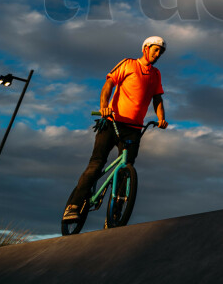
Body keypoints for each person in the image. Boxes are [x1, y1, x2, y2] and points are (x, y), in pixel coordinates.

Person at [63, 35, 169, 220]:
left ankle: (115, 215)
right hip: (112, 122)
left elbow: (157, 99)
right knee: (96, 164)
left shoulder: (156, 74)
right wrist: (104, 106)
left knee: (126, 169)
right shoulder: (128, 64)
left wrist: (161, 119)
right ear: (146, 48)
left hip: (134, 128)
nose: (158, 54)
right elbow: (109, 84)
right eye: (156, 50)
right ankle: (73, 206)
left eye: (161, 52)